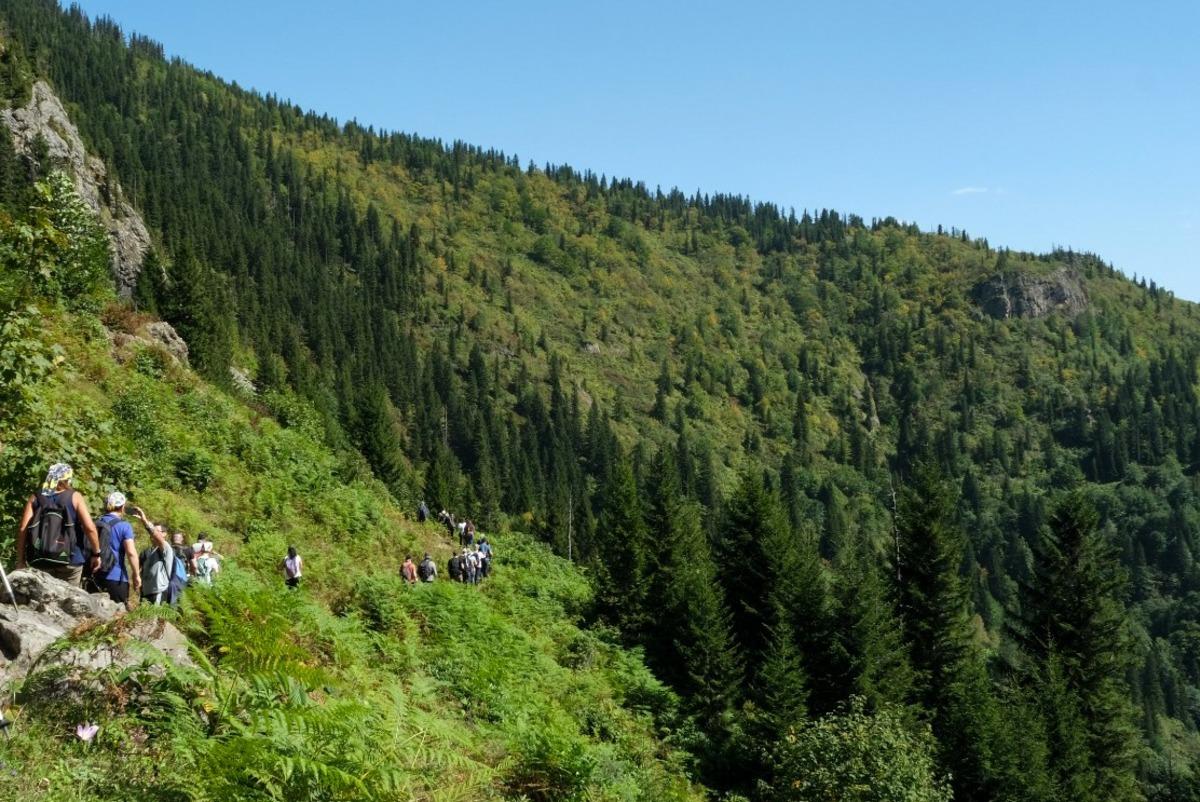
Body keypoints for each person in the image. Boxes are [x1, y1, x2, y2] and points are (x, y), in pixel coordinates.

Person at [15, 463, 102, 587]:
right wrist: (96, 554)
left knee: (43, 599)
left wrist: (21, 560)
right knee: (70, 601)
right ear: (68, 480)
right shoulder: (74, 497)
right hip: (70, 559)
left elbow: (23, 529)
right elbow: (90, 528)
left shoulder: (35, 497)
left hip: (41, 559)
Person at [96, 492, 141, 608]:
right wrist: (136, 575)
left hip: (95, 575)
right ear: (122, 507)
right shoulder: (124, 526)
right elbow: (131, 553)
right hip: (116, 577)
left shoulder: (96, 523)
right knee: (117, 617)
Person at [134, 513, 176, 606]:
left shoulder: (166, 549)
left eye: (157, 531)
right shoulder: (148, 552)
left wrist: (145, 521)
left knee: (154, 619)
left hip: (158, 591)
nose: (153, 533)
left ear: (164, 534)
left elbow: (157, 538)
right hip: (146, 591)